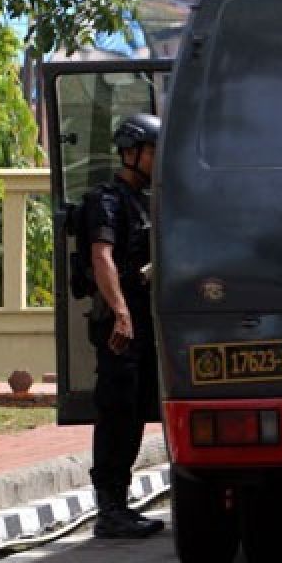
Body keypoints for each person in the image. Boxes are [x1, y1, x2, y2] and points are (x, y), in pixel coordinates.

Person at [83, 113, 164, 539]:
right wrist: (121, 312)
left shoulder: (143, 199)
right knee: (116, 412)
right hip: (121, 325)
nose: (157, 159)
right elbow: (102, 256)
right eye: (153, 150)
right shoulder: (107, 200)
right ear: (131, 153)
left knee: (133, 413)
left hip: (142, 322)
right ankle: (109, 508)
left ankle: (121, 503)